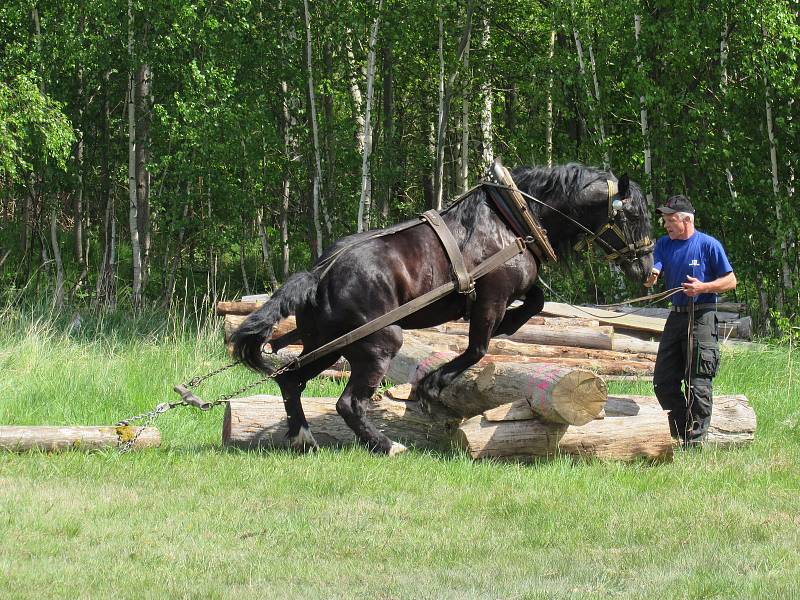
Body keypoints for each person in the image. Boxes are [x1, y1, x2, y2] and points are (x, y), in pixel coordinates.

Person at [644, 195, 737, 445]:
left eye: (670, 220)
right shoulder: (664, 243)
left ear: (686, 220)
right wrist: (651, 275)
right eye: (664, 220)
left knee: (698, 382)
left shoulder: (708, 245)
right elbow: (655, 265)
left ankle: (695, 442)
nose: (666, 225)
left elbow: (731, 281)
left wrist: (704, 287)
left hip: (702, 316)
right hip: (676, 316)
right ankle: (680, 431)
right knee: (663, 382)